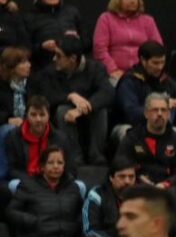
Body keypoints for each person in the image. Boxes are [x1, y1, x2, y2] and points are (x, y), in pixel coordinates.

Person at [32, 35, 112, 165]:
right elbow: (46, 96)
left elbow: (107, 92)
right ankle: (74, 157)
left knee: (100, 109)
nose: (54, 59)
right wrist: (70, 96)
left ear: (73, 58)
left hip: (88, 115)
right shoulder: (50, 71)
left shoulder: (96, 69)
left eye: (58, 56)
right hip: (65, 116)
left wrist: (84, 108)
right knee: (62, 110)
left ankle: (96, 155)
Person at [114, 92, 176, 187]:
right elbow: (120, 165)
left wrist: (166, 184)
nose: (160, 114)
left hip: (168, 190)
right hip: (137, 187)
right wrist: (138, 177)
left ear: (169, 114)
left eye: (163, 110)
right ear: (146, 113)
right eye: (155, 110)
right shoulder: (132, 137)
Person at [112, 40, 176, 132]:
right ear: (143, 61)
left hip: (163, 127)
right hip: (131, 126)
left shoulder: (166, 81)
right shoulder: (130, 81)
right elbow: (130, 114)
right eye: (155, 63)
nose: (160, 67)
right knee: (125, 132)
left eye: (162, 62)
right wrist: (162, 106)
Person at [4, 94, 78, 183]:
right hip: (27, 181)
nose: (38, 119)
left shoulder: (61, 138)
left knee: (80, 185)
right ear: (26, 116)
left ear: (48, 116)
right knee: (13, 184)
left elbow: (71, 169)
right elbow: (13, 169)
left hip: (54, 181)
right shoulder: (14, 137)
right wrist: (31, 181)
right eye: (33, 115)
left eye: (42, 115)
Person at [92, 0, 163, 81]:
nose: (133, 1)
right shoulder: (106, 19)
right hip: (113, 74)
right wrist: (113, 69)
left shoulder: (148, 21)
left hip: (143, 74)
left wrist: (152, 69)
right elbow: (100, 50)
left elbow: (158, 49)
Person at [83, 158, 134, 237]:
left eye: (131, 177)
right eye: (122, 177)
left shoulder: (141, 196)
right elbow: (89, 230)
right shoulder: (97, 194)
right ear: (111, 177)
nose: (127, 181)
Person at [0, 45, 31, 178]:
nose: (29, 65)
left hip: (32, 122)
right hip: (7, 125)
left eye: (28, 61)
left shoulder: (32, 84)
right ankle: (3, 174)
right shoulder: (1, 87)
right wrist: (8, 119)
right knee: (8, 130)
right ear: (12, 67)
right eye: (23, 63)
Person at [25, 0, 81, 68]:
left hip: (73, 66)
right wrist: (42, 46)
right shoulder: (29, 17)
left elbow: (87, 40)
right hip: (45, 68)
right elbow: (25, 49)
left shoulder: (72, 12)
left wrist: (76, 39)